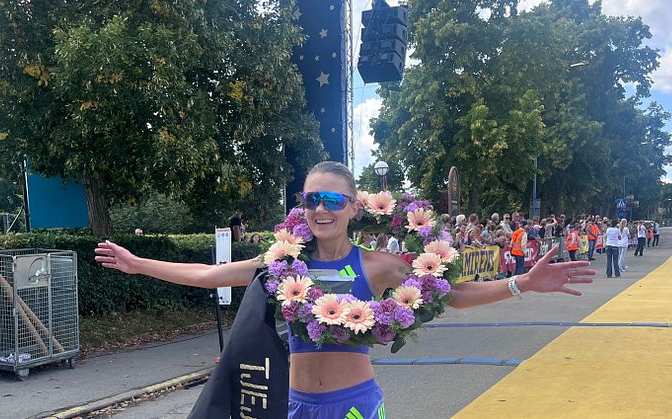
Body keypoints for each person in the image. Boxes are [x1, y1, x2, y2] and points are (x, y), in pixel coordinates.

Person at [94, 161, 595, 419]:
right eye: (312, 198)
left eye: (333, 198)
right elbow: (209, 276)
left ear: (356, 207)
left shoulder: (379, 266)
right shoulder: (283, 264)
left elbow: (454, 294)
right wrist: (139, 265)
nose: (321, 208)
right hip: (290, 405)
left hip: (351, 403)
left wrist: (522, 282)